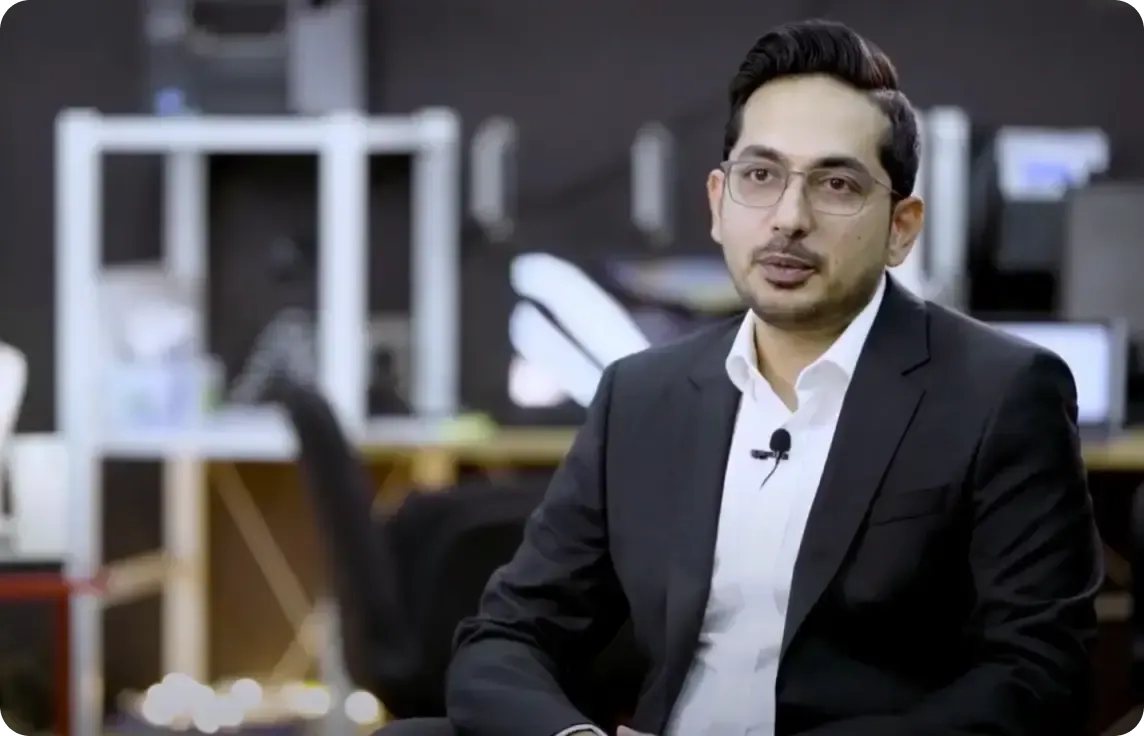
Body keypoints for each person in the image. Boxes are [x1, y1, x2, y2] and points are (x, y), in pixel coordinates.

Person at [445, 19, 1103, 736]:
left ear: (901, 228)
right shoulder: (641, 396)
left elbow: (1037, 676)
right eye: (760, 177)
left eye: (837, 184)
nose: (789, 218)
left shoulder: (1002, 392)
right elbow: (507, 638)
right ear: (717, 203)